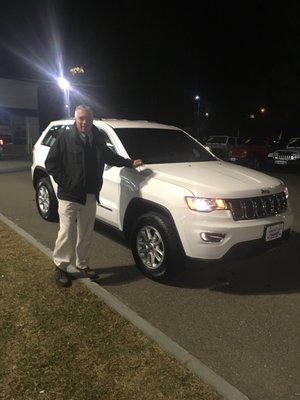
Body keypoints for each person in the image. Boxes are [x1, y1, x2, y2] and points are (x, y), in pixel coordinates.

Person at [45, 104, 143, 287]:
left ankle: (83, 264)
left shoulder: (96, 136)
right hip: (69, 196)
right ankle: (61, 267)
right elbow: (51, 163)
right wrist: (67, 183)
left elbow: (108, 156)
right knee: (66, 233)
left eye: (88, 118)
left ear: (92, 119)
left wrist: (129, 163)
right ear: (76, 118)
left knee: (86, 233)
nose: (84, 122)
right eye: (81, 118)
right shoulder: (65, 137)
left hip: (90, 195)